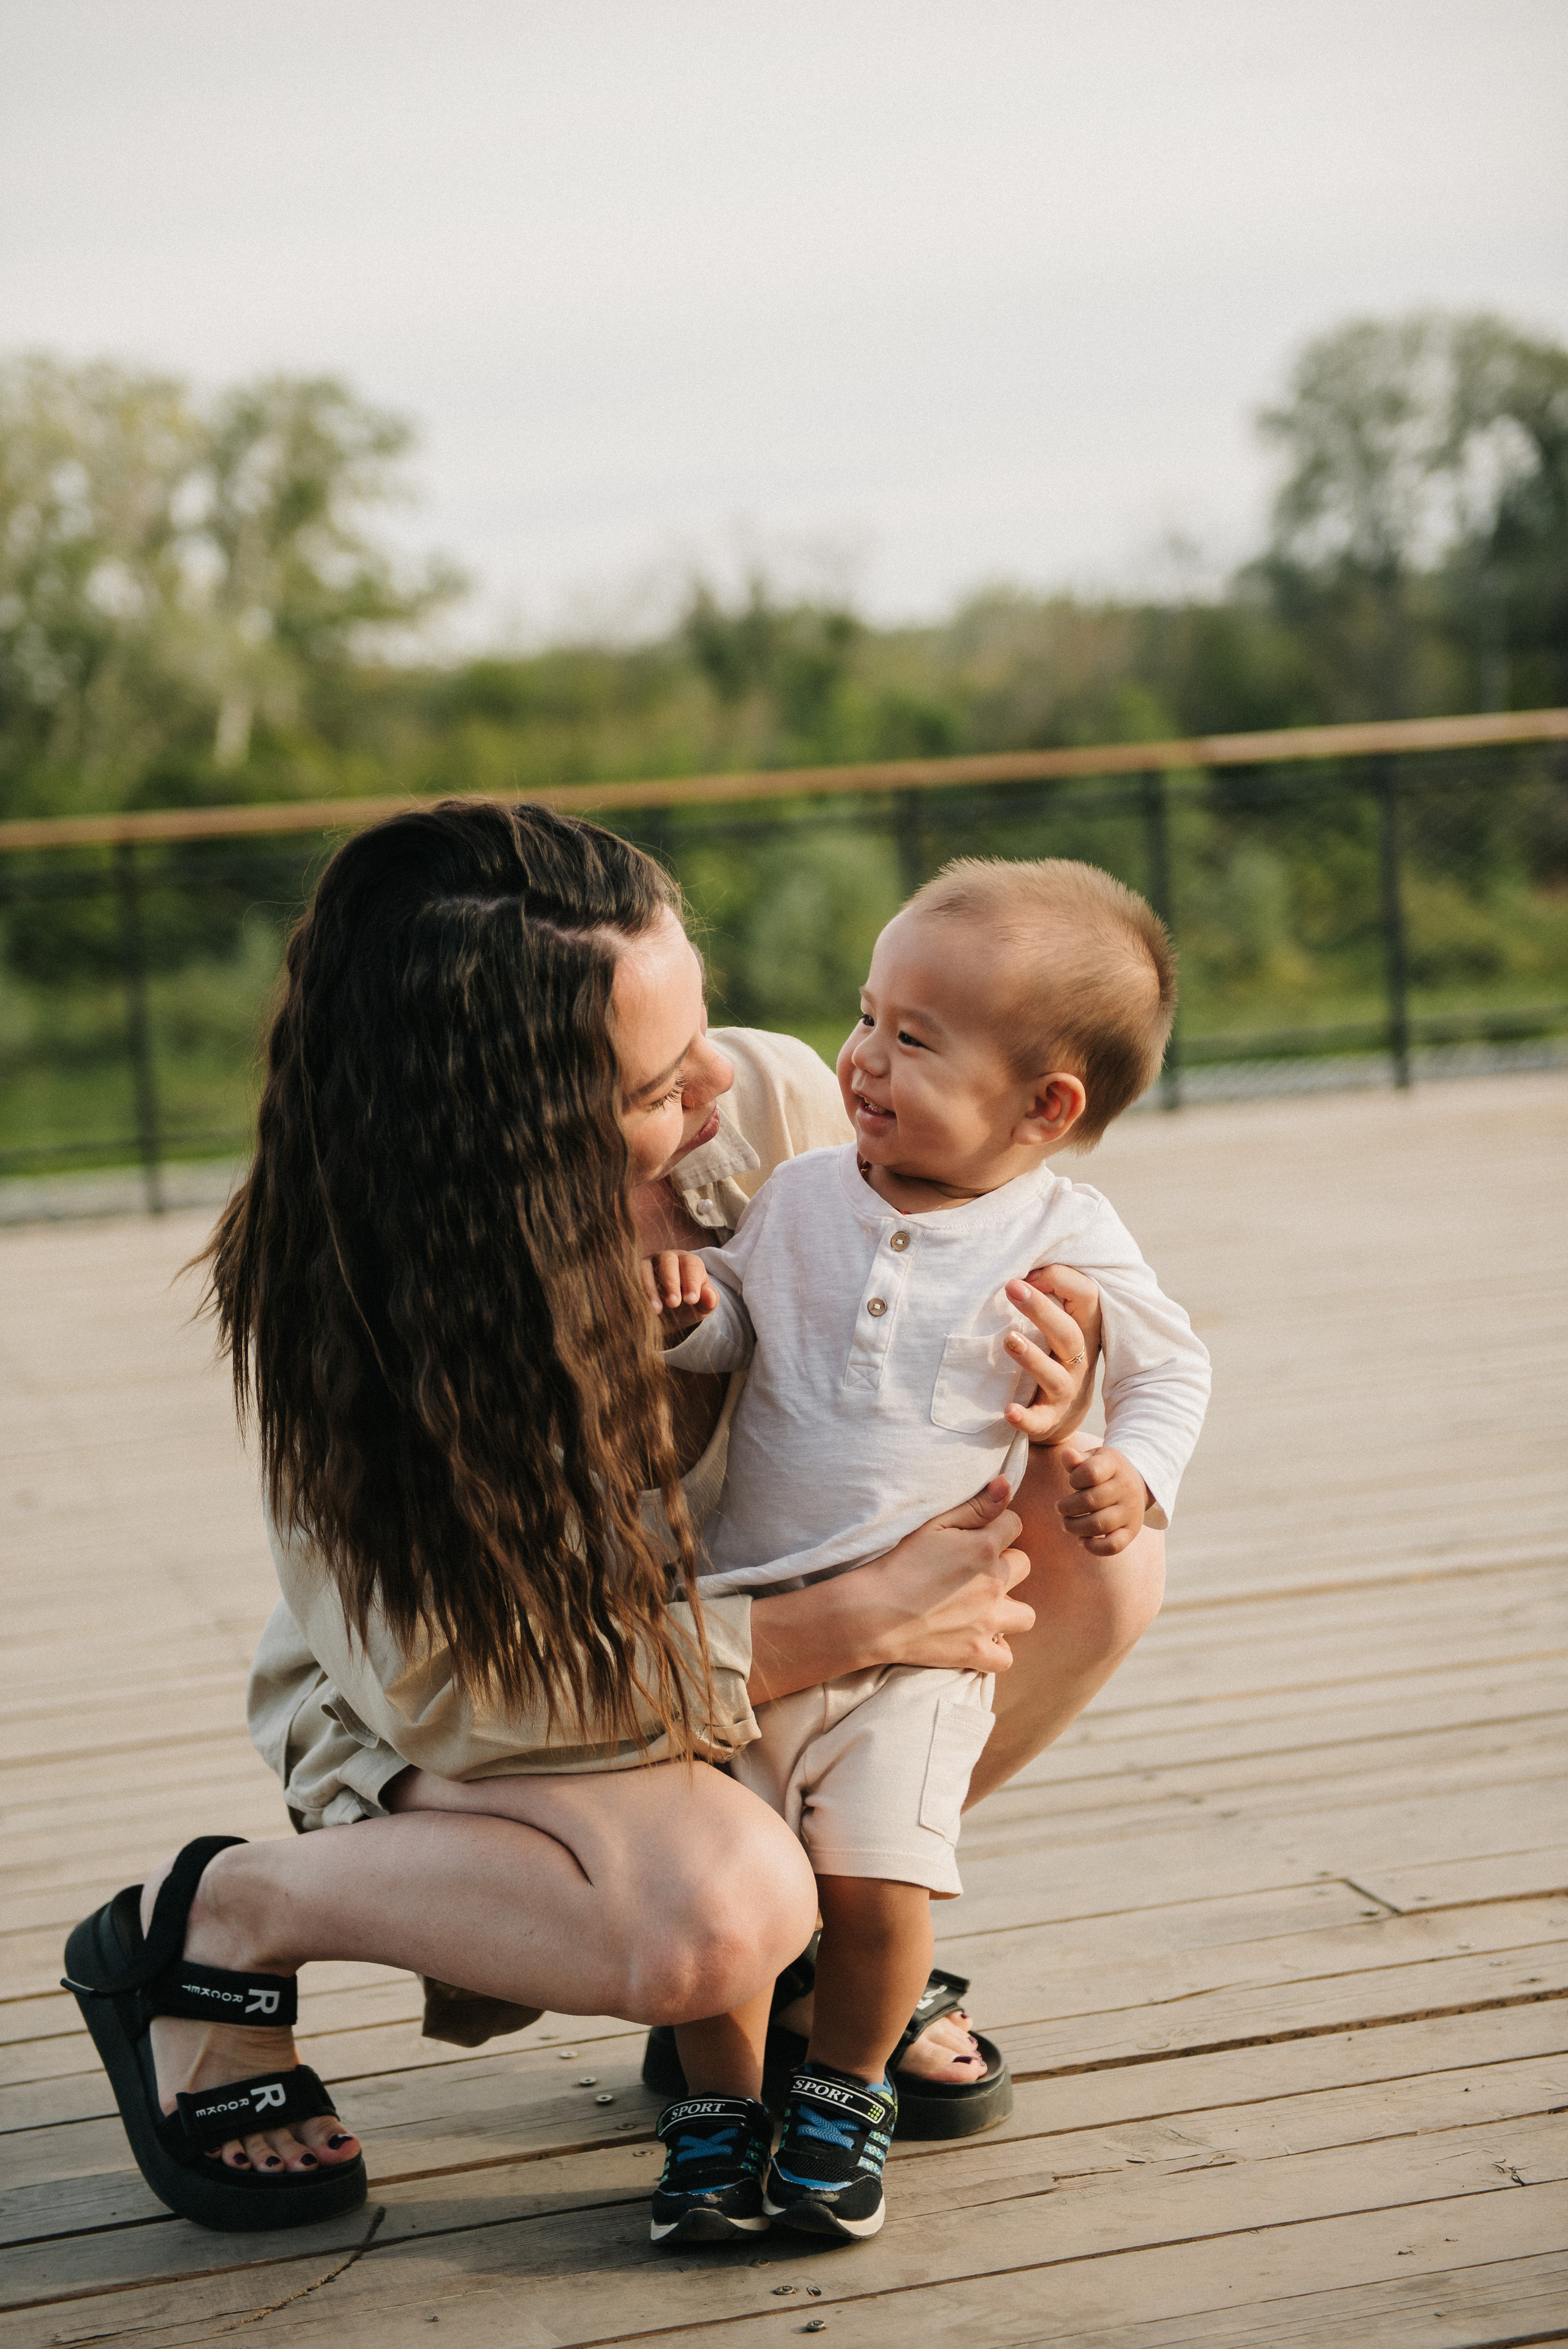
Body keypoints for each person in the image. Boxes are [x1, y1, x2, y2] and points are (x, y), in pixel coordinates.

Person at [64, 802, 1134, 2236]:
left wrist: (1064, 1387)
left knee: (1090, 1559)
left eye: (702, 1019)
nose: (720, 1076)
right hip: (473, 1702)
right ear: (501, 1127)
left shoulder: (768, 1105)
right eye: (651, 1081)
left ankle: (817, 1950)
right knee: (716, 1915)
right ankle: (220, 1918)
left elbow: (959, 1302)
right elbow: (452, 1688)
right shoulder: (367, 1308)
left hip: (725, 1612)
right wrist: (832, 1629)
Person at [639, 857, 1209, 2242]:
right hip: (748, 1618)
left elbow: (1171, 1368)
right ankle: (712, 2109)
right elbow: (738, 1332)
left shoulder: (1062, 1233)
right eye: (864, 1014)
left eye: (913, 1038)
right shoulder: (798, 1196)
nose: (861, 1058)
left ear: (1044, 1105)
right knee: (729, 1880)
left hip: (919, 1652)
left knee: (882, 1886)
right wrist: (677, 1317)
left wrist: (1131, 1472)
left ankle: (839, 2093)